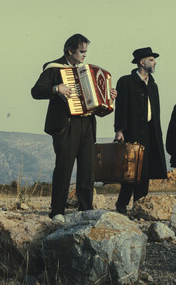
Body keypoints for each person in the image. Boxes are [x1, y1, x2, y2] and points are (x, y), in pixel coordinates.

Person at [31, 34, 116, 223]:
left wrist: (109, 96)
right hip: (66, 124)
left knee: (87, 167)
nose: (85, 55)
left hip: (87, 123)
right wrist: (56, 89)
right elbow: (36, 91)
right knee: (64, 166)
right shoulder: (54, 69)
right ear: (70, 51)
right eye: (82, 51)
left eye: (86, 51)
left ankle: (86, 209)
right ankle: (57, 211)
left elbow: (97, 99)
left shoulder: (84, 70)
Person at [113, 47, 167, 214]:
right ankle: (122, 204)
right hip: (132, 131)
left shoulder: (153, 85)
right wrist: (119, 130)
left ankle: (139, 205)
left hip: (151, 133)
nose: (154, 62)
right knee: (131, 171)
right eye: (151, 60)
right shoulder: (126, 81)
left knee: (145, 171)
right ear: (142, 62)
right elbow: (120, 107)